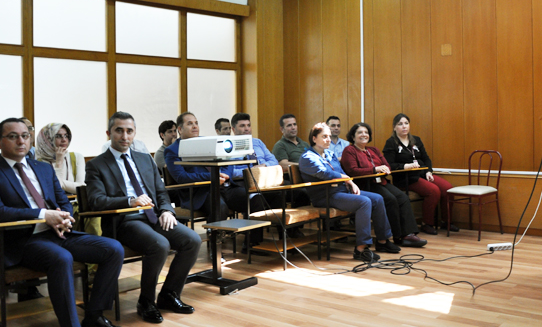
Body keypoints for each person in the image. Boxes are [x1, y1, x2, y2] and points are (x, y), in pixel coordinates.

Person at [0, 118, 131, 327]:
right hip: (22, 240)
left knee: (112, 248)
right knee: (61, 258)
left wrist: (64, 217)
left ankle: (94, 317)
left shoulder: (43, 168)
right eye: (13, 136)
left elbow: (62, 200)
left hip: (57, 233)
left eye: (25, 135)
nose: (21, 141)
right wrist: (43, 215)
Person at [86, 112, 201, 324]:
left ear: (134, 133)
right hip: (125, 221)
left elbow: (161, 191)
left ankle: (169, 295)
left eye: (129, 131)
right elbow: (96, 200)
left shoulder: (144, 158)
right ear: (108, 133)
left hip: (154, 216)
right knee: (159, 245)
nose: (124, 136)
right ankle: (146, 301)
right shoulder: (97, 164)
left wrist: (166, 211)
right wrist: (129, 201)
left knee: (192, 240)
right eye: (119, 130)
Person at [299, 122, 399, 262]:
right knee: (364, 202)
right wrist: (346, 179)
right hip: (326, 196)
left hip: (342, 191)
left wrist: (350, 182)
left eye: (329, 136)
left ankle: (382, 241)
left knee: (378, 198)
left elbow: (341, 172)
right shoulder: (307, 157)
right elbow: (324, 173)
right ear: (314, 138)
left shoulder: (329, 154)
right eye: (324, 136)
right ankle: (361, 249)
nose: (328, 139)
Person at [341, 122, 426, 248]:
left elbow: (387, 165)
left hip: (381, 182)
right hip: (365, 185)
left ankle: (408, 234)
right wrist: (374, 169)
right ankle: (397, 236)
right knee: (390, 199)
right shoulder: (349, 150)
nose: (364, 135)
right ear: (353, 137)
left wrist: (385, 169)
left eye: (366, 132)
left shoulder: (373, 150)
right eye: (360, 132)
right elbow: (352, 171)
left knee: (403, 198)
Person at [383, 113, 458, 235]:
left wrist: (428, 171)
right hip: (406, 178)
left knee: (447, 189)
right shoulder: (391, 143)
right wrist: (405, 166)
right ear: (394, 127)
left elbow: (426, 158)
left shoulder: (416, 140)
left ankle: (446, 222)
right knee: (433, 191)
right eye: (400, 124)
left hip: (422, 173)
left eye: (406, 123)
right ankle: (427, 224)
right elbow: (388, 165)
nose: (404, 126)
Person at [230, 113, 289, 248]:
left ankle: (284, 239)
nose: (247, 129)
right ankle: (252, 243)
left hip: (263, 180)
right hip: (241, 184)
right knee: (257, 199)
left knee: (279, 195)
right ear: (233, 129)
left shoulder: (257, 142)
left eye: (248, 125)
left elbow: (273, 160)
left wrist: (263, 166)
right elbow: (230, 171)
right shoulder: (229, 147)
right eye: (242, 126)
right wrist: (250, 171)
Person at [164, 112, 230, 219]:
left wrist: (225, 175)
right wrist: (213, 177)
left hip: (222, 186)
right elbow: (181, 177)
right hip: (197, 193)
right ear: (180, 129)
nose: (195, 126)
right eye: (190, 124)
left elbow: (226, 161)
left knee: (247, 198)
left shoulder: (207, 142)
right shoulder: (172, 150)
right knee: (219, 207)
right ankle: (214, 230)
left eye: (196, 123)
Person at [35, 123, 84, 195]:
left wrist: (59, 182)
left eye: (66, 136)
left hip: (75, 201)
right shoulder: (38, 162)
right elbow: (51, 190)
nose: (64, 140)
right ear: (47, 139)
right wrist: (59, 162)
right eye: (58, 136)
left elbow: (82, 188)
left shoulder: (76, 157)